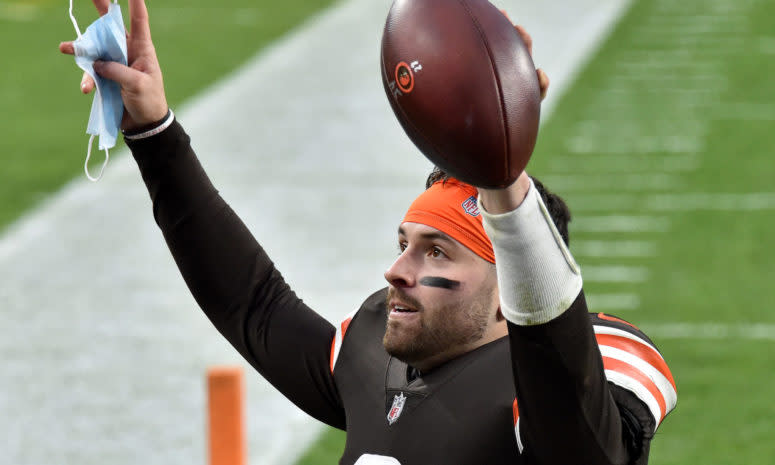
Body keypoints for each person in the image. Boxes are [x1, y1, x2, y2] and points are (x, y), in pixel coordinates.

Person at [60, 1, 676, 464]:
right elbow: (252, 303)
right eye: (403, 243)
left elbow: (573, 404)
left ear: (507, 292)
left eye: (436, 250)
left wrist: (505, 187)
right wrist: (154, 131)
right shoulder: (373, 352)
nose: (397, 270)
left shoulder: (564, 382)